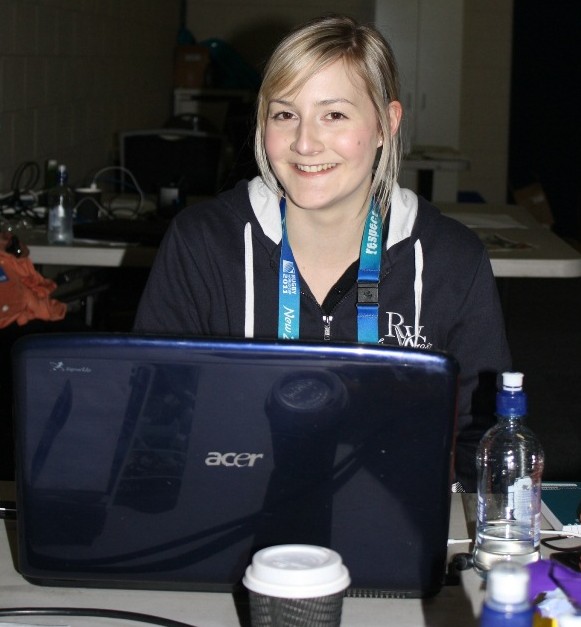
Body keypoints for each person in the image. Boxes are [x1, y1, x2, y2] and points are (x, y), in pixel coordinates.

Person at [133, 14, 511, 491]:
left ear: (385, 124)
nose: (305, 143)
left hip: (396, 529)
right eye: (284, 114)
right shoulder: (202, 244)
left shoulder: (453, 259)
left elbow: (488, 434)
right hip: (234, 521)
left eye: (334, 114)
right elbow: (155, 423)